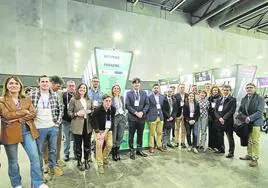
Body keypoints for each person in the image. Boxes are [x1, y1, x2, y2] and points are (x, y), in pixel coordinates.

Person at [0, 76, 48, 188]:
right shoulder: (2, 100)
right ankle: (16, 184)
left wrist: (19, 119)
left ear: (20, 86)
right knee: (13, 161)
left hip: (27, 130)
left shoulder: (26, 99)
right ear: (6, 86)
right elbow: (6, 115)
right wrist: (24, 112)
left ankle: (38, 183)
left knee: (35, 158)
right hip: (10, 132)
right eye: (11, 83)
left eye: (16, 83)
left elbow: (33, 113)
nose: (13, 85)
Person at [30, 75, 63, 177]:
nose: (45, 83)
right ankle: (40, 171)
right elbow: (27, 110)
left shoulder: (54, 95)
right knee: (39, 151)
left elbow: (61, 108)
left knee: (53, 149)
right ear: (39, 83)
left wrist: (57, 123)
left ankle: (52, 167)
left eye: (46, 82)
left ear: (50, 83)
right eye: (42, 81)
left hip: (52, 127)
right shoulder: (32, 95)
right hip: (39, 127)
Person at [68, 83, 93, 171]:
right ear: (78, 89)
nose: (82, 89)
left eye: (84, 88)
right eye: (81, 87)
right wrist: (76, 114)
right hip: (77, 125)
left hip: (88, 125)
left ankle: (86, 160)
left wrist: (90, 111)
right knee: (78, 145)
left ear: (86, 90)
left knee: (87, 144)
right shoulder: (73, 99)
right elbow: (69, 112)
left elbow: (93, 110)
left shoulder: (89, 99)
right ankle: (79, 161)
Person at [238, 83, 264, 167]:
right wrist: (243, 117)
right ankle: (249, 155)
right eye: (247, 88)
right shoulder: (244, 99)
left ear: (254, 88)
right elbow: (240, 110)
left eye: (251, 88)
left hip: (255, 123)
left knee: (254, 141)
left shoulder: (259, 98)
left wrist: (250, 118)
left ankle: (255, 158)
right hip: (246, 123)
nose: (249, 89)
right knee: (248, 140)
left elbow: (260, 112)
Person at [43, 75, 65, 171]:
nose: (59, 88)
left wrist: (58, 121)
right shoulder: (43, 93)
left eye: (60, 87)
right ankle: (47, 162)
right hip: (46, 124)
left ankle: (57, 159)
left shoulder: (59, 93)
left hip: (57, 123)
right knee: (46, 144)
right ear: (51, 83)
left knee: (58, 142)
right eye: (58, 86)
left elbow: (61, 108)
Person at [125, 78, 149, 160]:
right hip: (132, 118)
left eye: (138, 83)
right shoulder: (128, 93)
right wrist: (135, 113)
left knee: (140, 134)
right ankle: (132, 150)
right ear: (133, 84)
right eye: (135, 83)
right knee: (131, 135)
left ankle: (139, 150)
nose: (137, 85)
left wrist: (142, 112)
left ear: (140, 85)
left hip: (141, 118)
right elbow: (127, 105)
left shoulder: (144, 93)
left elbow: (147, 104)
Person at [92, 94, 115, 174]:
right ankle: (100, 164)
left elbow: (111, 121)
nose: (108, 103)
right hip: (98, 130)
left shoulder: (113, 109)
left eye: (110, 101)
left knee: (110, 145)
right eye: (106, 101)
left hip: (107, 130)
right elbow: (94, 122)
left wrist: (105, 132)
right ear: (103, 101)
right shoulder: (97, 109)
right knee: (99, 146)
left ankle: (104, 157)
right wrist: (98, 133)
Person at [214, 85, 236, 158]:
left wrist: (224, 118)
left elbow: (231, 111)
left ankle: (231, 152)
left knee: (230, 137)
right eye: (224, 90)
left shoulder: (232, 99)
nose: (225, 91)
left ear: (230, 91)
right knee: (220, 136)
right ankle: (221, 149)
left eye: (227, 90)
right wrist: (219, 118)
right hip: (219, 121)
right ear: (222, 90)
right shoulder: (218, 99)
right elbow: (215, 111)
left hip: (228, 122)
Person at [147, 84, 165, 153]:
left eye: (157, 88)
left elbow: (163, 107)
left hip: (160, 117)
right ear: (152, 89)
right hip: (152, 117)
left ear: (159, 89)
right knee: (152, 133)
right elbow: (147, 107)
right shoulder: (149, 97)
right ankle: (151, 146)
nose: (156, 89)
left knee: (159, 133)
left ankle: (159, 146)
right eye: (155, 88)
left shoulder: (162, 97)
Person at [111, 84, 126, 161]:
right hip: (114, 118)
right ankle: (113, 153)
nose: (116, 90)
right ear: (112, 90)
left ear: (119, 90)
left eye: (118, 88)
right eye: (115, 88)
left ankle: (117, 151)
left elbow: (124, 108)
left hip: (122, 117)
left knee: (120, 135)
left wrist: (124, 114)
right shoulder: (110, 98)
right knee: (114, 136)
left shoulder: (122, 98)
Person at [62, 80, 76, 162]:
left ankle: (75, 153)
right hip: (65, 121)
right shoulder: (63, 95)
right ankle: (66, 154)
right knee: (66, 139)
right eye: (70, 86)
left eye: (73, 86)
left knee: (75, 139)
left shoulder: (77, 96)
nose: (71, 87)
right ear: (67, 87)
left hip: (75, 121)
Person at [174, 83, 188, 148]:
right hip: (178, 115)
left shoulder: (187, 95)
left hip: (185, 115)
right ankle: (176, 142)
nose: (182, 88)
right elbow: (174, 106)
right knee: (177, 129)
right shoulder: (175, 95)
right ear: (178, 88)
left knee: (183, 129)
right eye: (181, 87)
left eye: (183, 87)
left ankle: (183, 142)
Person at [207, 86, 222, 151]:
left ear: (218, 91)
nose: (215, 91)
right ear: (211, 91)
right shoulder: (209, 98)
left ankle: (217, 146)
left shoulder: (221, 98)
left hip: (217, 117)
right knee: (211, 131)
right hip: (210, 117)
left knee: (217, 132)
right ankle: (211, 145)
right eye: (213, 90)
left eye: (216, 90)